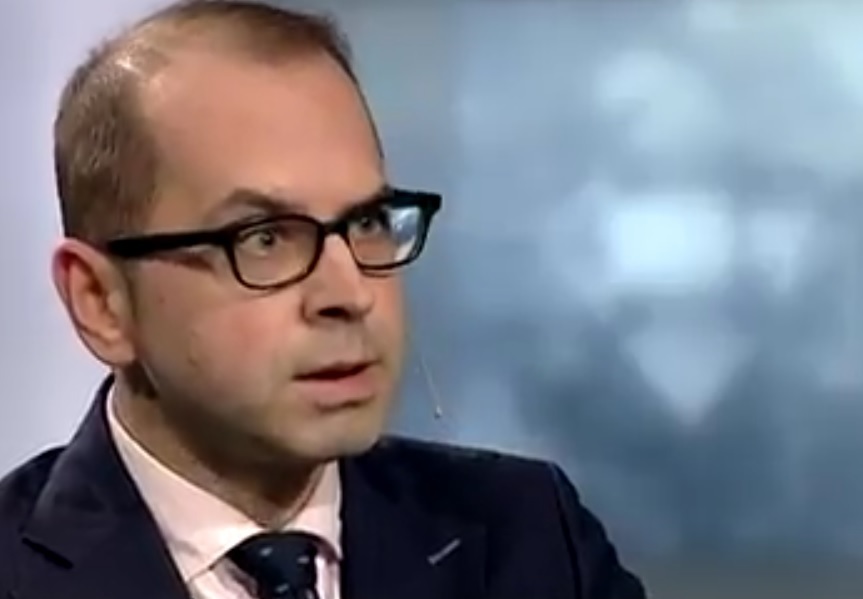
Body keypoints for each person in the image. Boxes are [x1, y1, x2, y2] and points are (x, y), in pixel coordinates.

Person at [0, 2, 646, 598]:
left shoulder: (526, 539)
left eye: (366, 222)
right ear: (101, 301)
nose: (350, 293)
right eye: (264, 238)